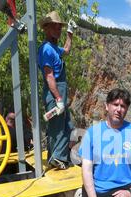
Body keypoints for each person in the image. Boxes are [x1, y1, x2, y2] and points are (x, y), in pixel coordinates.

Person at [37, 11, 77, 170]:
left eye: (60, 27)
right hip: (54, 91)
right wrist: (59, 99)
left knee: (68, 127)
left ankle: (58, 157)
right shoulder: (46, 49)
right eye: (55, 27)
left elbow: (66, 51)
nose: (58, 30)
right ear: (46, 28)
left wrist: (70, 34)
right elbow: (49, 76)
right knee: (57, 128)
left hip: (59, 90)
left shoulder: (54, 47)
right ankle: (57, 159)